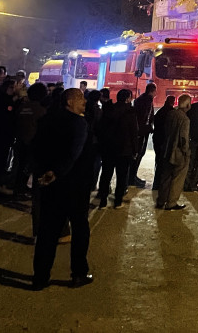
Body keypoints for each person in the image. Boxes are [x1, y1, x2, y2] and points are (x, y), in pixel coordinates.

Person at [31, 88, 94, 291]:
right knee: (79, 229)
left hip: (52, 185)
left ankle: (40, 278)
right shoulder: (78, 123)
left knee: (48, 232)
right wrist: (56, 172)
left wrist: (41, 171)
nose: (84, 101)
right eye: (80, 98)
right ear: (69, 101)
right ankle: (79, 273)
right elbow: (73, 153)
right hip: (73, 184)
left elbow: (36, 147)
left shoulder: (47, 119)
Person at [96, 89, 139, 209]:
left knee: (105, 175)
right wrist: (135, 150)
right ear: (127, 99)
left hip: (108, 148)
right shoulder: (130, 112)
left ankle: (103, 201)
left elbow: (101, 129)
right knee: (121, 176)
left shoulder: (109, 110)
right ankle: (118, 201)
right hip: (124, 150)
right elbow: (134, 133)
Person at [155, 93, 191, 210]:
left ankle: (161, 200)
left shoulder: (171, 114)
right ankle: (171, 203)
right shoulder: (185, 119)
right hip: (178, 153)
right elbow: (183, 138)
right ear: (187, 105)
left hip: (166, 150)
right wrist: (186, 152)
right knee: (177, 179)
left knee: (165, 176)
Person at [131, 82, 156, 187]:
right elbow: (146, 118)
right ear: (152, 91)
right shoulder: (147, 101)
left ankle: (132, 176)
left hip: (139, 131)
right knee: (138, 153)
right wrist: (149, 128)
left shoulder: (141, 99)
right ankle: (131, 178)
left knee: (138, 154)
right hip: (141, 133)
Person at [151, 95, 175, 191]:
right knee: (163, 163)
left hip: (157, 139)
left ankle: (156, 183)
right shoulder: (171, 113)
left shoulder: (160, 111)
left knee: (158, 161)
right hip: (164, 141)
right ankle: (159, 184)